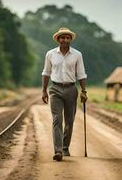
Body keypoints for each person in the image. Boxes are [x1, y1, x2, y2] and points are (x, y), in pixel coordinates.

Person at [41, 27, 88, 161]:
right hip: (55, 89)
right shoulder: (50, 54)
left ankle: (65, 147)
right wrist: (44, 90)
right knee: (57, 119)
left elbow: (81, 74)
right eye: (62, 37)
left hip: (71, 89)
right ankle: (58, 150)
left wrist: (84, 91)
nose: (65, 40)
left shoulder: (77, 55)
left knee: (69, 121)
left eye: (67, 37)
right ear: (58, 39)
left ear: (70, 39)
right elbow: (46, 73)